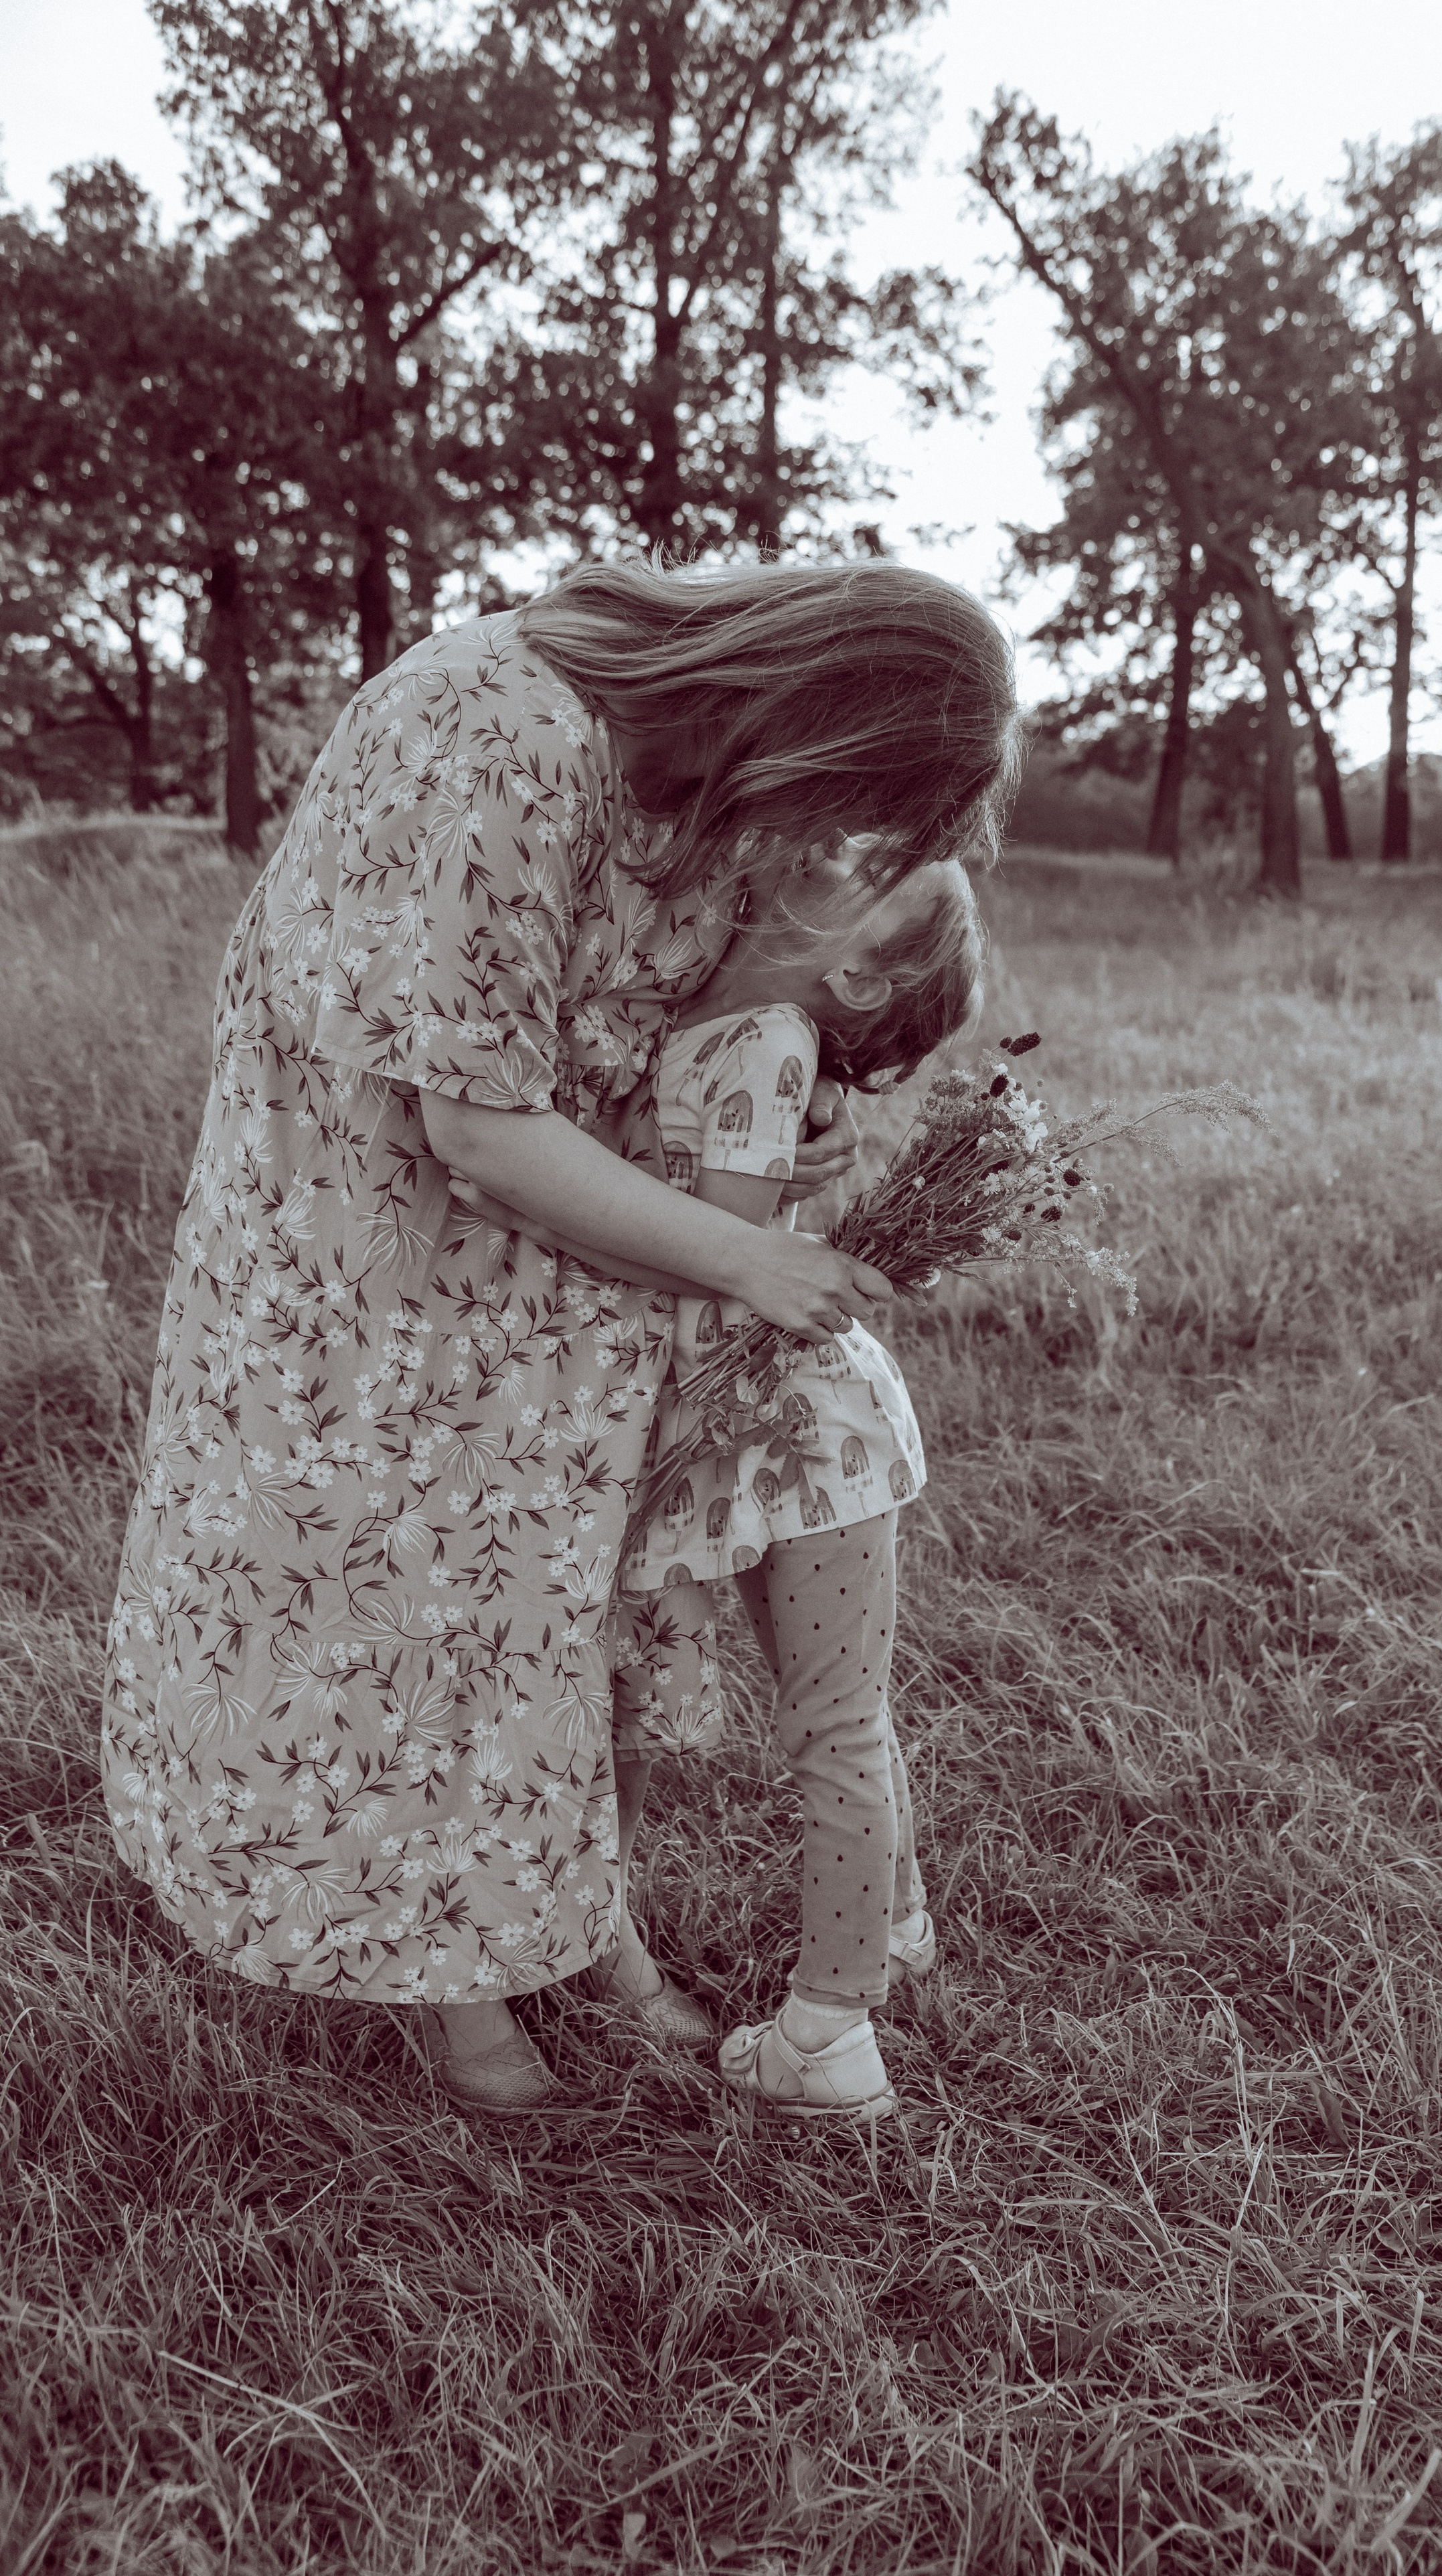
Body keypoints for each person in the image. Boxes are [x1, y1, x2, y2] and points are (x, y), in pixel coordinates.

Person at [101, 558, 1019, 2117]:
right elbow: (476, 1123)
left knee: (545, 1620)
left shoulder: (691, 771)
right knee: (414, 1610)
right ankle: (463, 2009)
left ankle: (586, 1938)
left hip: (565, 1251)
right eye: (857, 799)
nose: (833, 841)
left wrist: (762, 1151)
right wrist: (744, 1253)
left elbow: (650, 1018)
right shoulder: (498, 729)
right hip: (381, 1252)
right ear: (820, 709)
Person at [581, 848, 983, 2120]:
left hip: (791, 1435)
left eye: (861, 870)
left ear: (856, 960)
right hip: (792, 1439)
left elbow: (730, 1248)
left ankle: (828, 2036)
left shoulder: (755, 1037)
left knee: (831, 1727)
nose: (824, 857)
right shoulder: (743, 1021)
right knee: (843, 1710)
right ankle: (899, 1927)